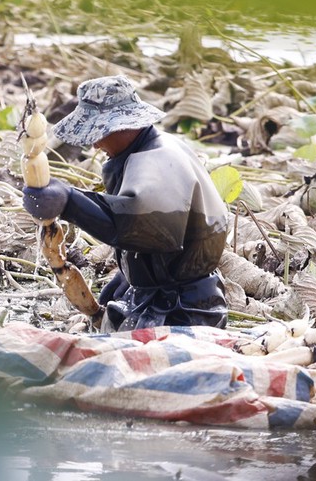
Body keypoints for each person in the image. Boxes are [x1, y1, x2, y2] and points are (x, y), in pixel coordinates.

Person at [22, 75, 229, 332]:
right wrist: (133, 272)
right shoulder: (149, 148)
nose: (95, 144)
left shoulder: (158, 159)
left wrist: (69, 201)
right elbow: (134, 217)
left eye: (99, 133)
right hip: (161, 292)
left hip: (184, 308)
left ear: (122, 126)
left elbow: (139, 226)